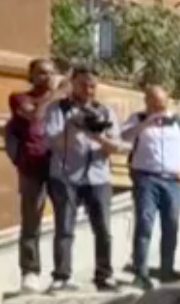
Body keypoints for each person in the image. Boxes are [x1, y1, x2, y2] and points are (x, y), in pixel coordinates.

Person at [44, 66, 123, 292]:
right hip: (65, 175)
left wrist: (94, 134)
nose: (89, 90)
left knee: (104, 229)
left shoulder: (104, 111)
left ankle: (104, 276)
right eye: (83, 85)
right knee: (64, 228)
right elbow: (53, 142)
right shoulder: (58, 110)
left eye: (92, 86)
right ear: (73, 84)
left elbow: (114, 146)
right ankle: (61, 276)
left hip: (98, 177)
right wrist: (72, 126)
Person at [121, 84, 180, 290]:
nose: (159, 107)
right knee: (144, 224)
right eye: (154, 103)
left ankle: (167, 271)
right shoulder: (137, 119)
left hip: (172, 181)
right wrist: (146, 123)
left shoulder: (179, 121)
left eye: (162, 103)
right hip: (146, 178)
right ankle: (140, 273)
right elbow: (123, 137)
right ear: (146, 101)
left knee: (171, 226)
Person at [7, 58, 67, 294]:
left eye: (51, 73)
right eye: (41, 73)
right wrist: (57, 94)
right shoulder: (20, 98)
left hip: (59, 167)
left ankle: (62, 273)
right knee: (31, 222)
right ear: (31, 76)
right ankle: (30, 272)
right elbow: (35, 116)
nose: (47, 77)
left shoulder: (62, 101)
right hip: (32, 167)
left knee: (65, 222)